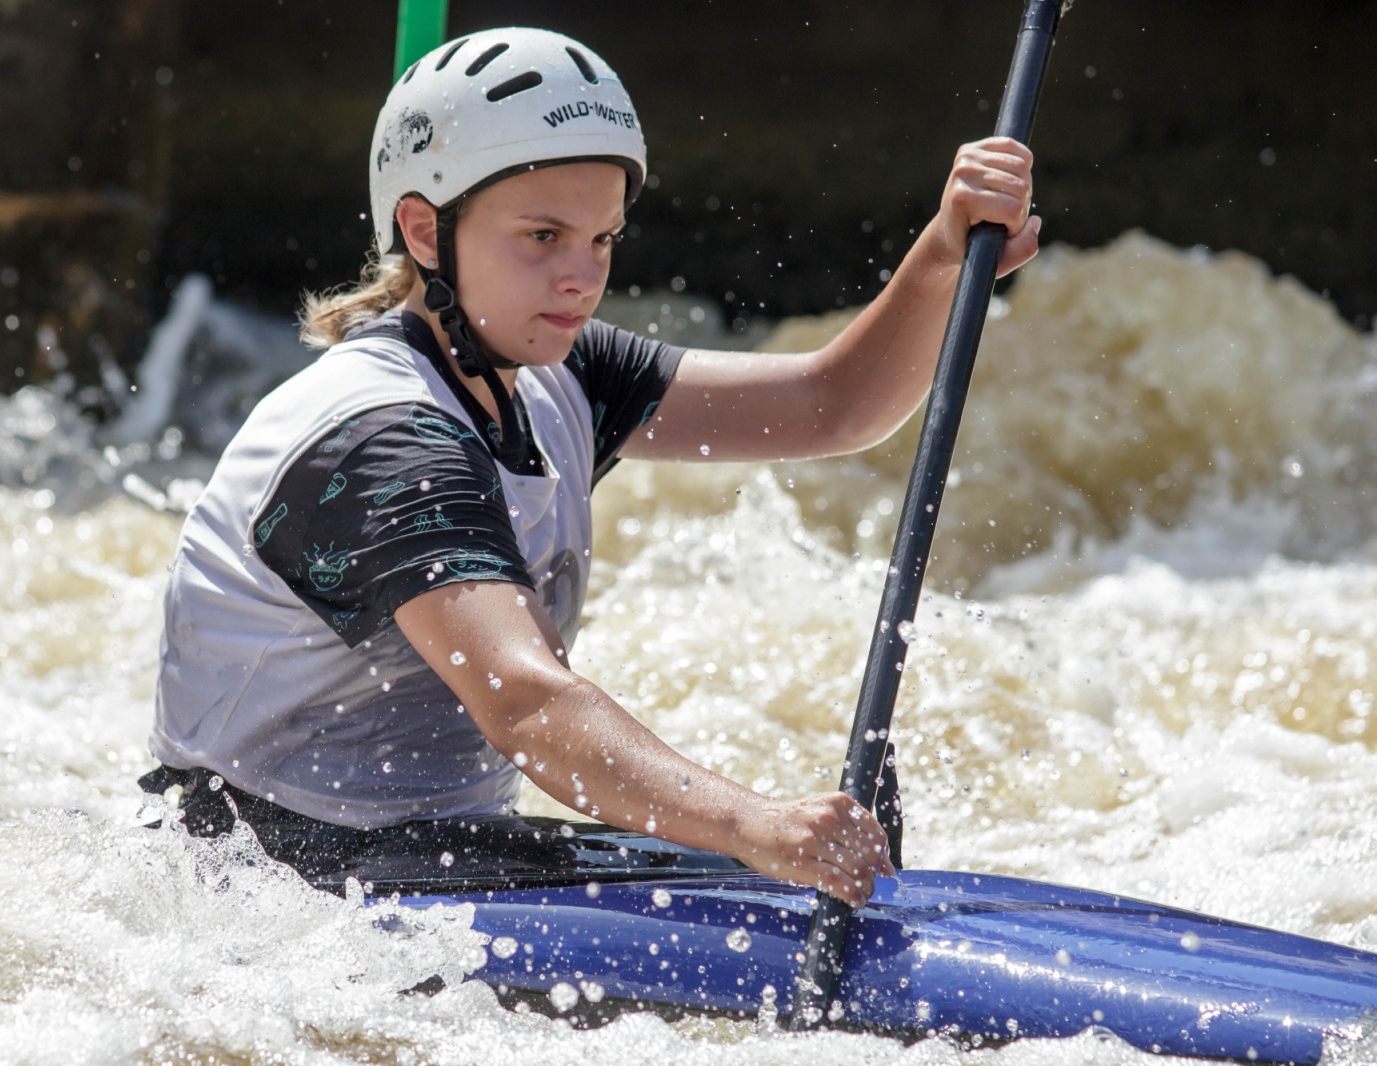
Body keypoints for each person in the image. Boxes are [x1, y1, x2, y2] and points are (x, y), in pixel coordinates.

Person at [144, 27, 1038, 908]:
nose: (582, 278)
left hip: (435, 851)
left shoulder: (552, 373)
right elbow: (528, 704)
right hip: (263, 878)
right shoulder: (383, 441)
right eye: (542, 236)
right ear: (423, 230)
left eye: (603, 239)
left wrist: (943, 257)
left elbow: (832, 405)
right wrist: (761, 828)